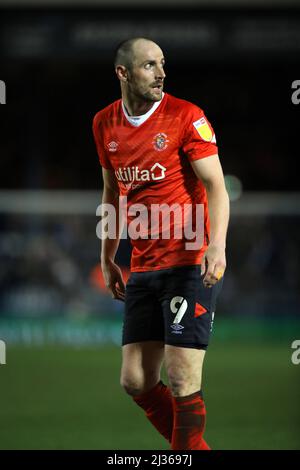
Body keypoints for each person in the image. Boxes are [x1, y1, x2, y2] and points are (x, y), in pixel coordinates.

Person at [92, 37, 229, 450]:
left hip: (190, 262)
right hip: (144, 265)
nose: (161, 73)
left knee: (182, 375)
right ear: (123, 73)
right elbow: (111, 192)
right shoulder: (104, 124)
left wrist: (217, 244)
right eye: (150, 65)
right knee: (135, 380)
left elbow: (216, 187)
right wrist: (108, 256)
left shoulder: (186, 116)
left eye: (162, 64)